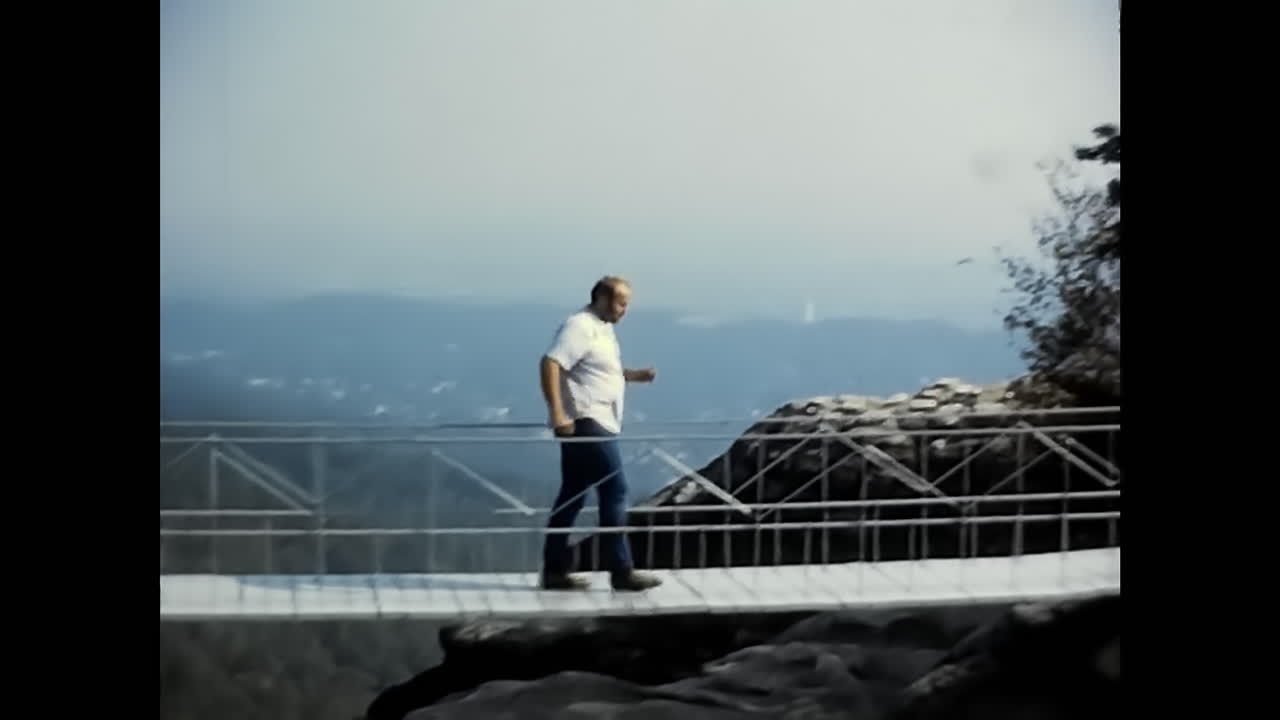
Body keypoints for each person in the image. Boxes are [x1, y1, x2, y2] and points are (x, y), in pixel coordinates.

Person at [538, 276, 663, 592]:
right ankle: (621, 569)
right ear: (602, 300)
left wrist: (633, 376)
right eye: (621, 303)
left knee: (573, 494)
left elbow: (597, 370)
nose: (624, 310)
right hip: (587, 421)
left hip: (596, 421)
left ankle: (554, 569)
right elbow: (551, 363)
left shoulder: (602, 329)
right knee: (616, 491)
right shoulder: (579, 327)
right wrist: (558, 414)